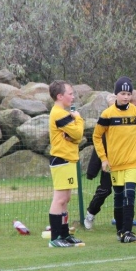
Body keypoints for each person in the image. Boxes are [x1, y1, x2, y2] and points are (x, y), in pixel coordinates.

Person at [92, 77, 136, 243]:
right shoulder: (107, 115)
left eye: (128, 93)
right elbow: (97, 136)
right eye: (123, 93)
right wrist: (103, 159)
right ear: (116, 95)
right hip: (115, 164)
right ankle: (120, 231)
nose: (126, 97)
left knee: (130, 195)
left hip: (133, 163)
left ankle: (128, 232)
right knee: (119, 197)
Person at [84, 90, 136, 230]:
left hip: (129, 161)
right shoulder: (112, 115)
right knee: (105, 189)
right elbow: (98, 138)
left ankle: (124, 220)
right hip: (111, 160)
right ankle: (90, 213)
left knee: (127, 191)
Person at [47, 80, 86, 247]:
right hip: (61, 159)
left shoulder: (63, 113)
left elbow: (75, 136)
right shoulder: (59, 114)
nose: (73, 96)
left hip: (68, 159)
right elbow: (78, 132)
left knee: (66, 198)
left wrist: (74, 133)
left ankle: (65, 234)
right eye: (70, 93)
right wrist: (78, 119)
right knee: (60, 199)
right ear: (59, 96)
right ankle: (55, 238)